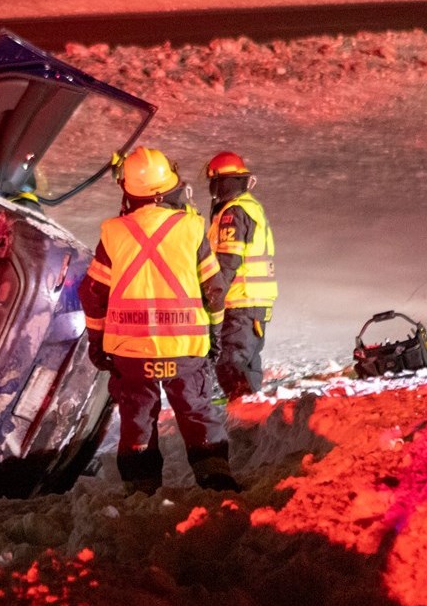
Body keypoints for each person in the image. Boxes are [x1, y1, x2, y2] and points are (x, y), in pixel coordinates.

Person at [78, 147, 241, 495]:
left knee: (137, 422)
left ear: (130, 192)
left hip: (132, 355)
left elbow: (92, 294)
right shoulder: (192, 228)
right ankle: (217, 485)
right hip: (186, 351)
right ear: (168, 188)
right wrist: (213, 333)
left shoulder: (113, 233)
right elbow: (214, 290)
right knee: (198, 414)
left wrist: (97, 341)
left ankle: (141, 491)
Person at [204, 151, 278, 402]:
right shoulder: (249, 207)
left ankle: (244, 420)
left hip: (241, 302)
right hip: (253, 302)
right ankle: (252, 420)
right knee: (246, 365)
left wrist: (213, 298)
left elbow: (227, 261)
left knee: (231, 364)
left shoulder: (232, 214)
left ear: (221, 181)